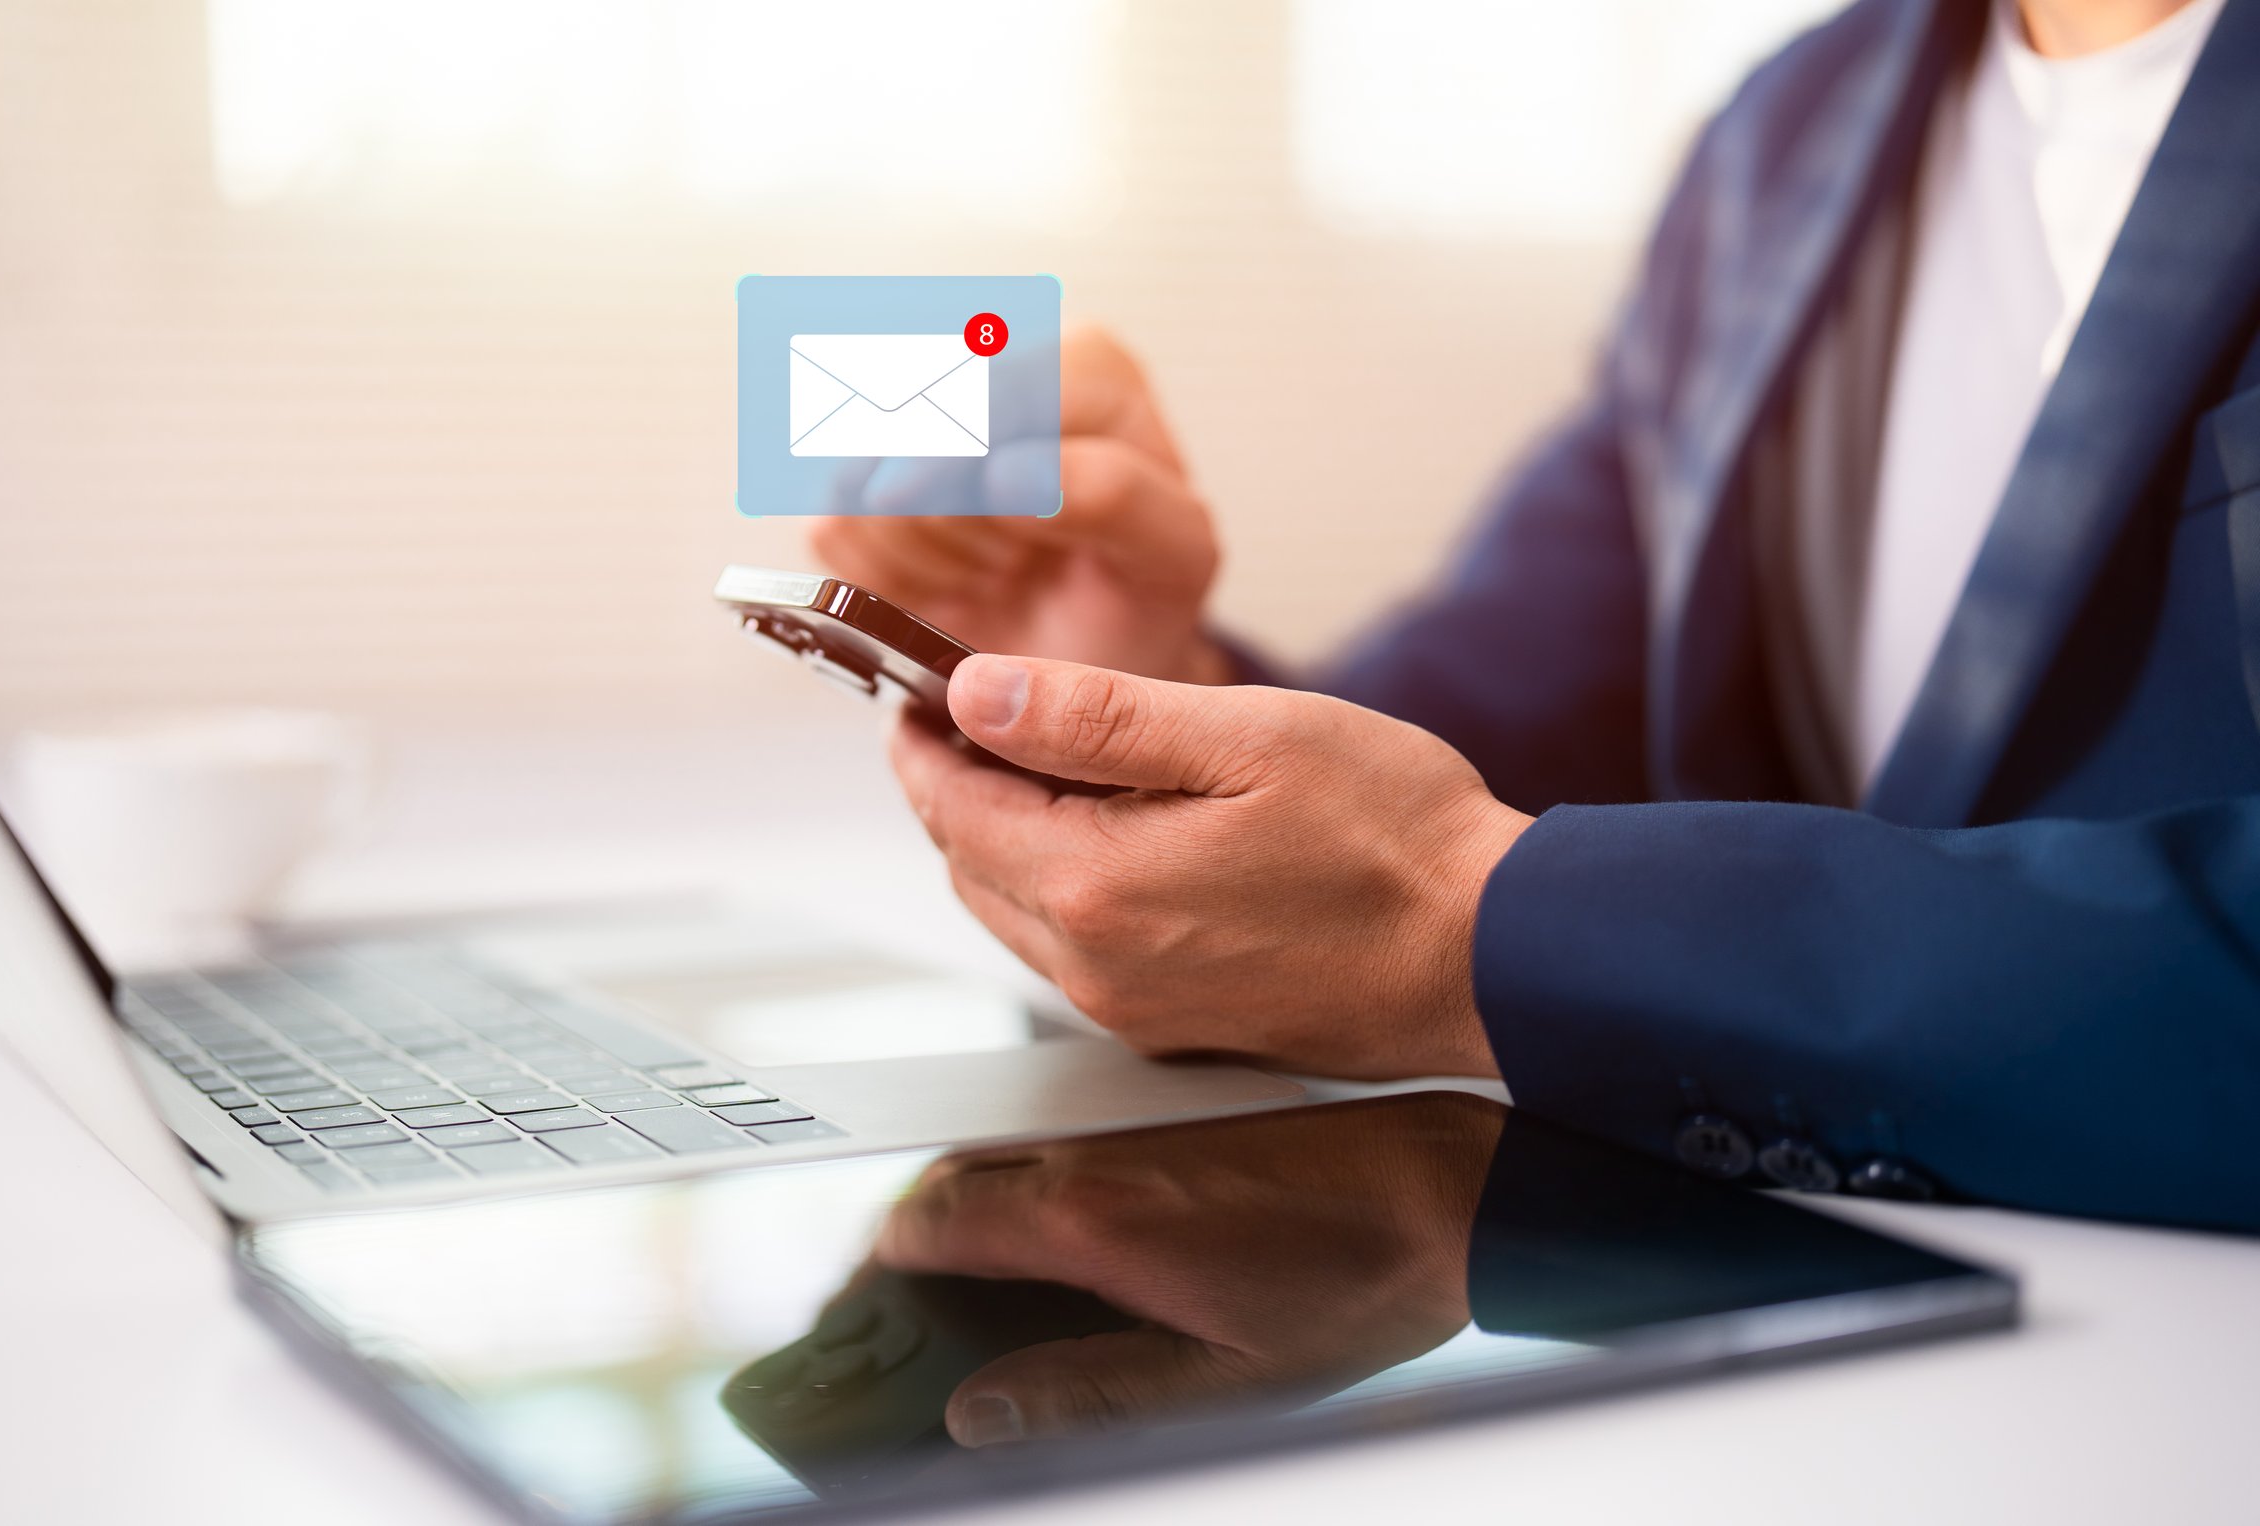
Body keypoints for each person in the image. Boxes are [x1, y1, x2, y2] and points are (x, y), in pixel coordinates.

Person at [810, 0, 2260, 1233]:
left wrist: (1471, 925)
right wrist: (1155, 704)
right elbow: (1512, 707)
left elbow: (1450, 872)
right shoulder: (1786, 135)